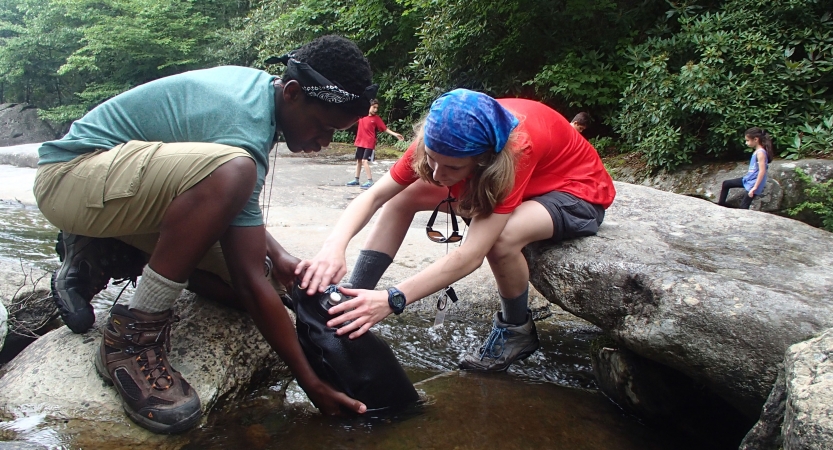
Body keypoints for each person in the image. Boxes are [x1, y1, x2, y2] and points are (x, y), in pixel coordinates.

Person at [33, 35, 374, 433]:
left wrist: (280, 259)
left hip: (126, 191)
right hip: (73, 177)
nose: (325, 140)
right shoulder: (241, 123)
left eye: (336, 132)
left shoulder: (266, 98)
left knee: (267, 286)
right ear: (294, 94)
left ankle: (110, 247)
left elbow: (240, 241)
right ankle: (131, 340)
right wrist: (310, 382)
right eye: (322, 126)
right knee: (238, 191)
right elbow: (244, 258)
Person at [297, 89, 615, 372]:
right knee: (402, 198)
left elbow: (471, 254)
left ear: (484, 160)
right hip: (518, 180)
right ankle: (352, 299)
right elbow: (376, 196)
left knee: (501, 239)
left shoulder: (514, 151)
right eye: (432, 161)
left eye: (452, 168)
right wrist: (333, 246)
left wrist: (392, 299)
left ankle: (516, 329)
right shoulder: (442, 135)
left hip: (575, 192)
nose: (437, 174)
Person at [346, 99, 404, 189]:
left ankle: (370, 181)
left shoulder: (376, 119)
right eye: (374, 107)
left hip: (369, 143)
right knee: (359, 161)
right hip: (360, 142)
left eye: (377, 108)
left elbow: (385, 129)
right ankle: (356, 180)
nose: (375, 110)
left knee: (365, 161)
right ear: (368, 107)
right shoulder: (361, 116)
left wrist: (395, 134)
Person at [717, 127, 774, 209]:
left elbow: (762, 171)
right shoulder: (757, 151)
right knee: (726, 184)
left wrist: (754, 187)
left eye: (747, 140)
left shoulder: (761, 153)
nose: (746, 143)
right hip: (748, 180)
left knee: (743, 207)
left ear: (756, 139)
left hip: (753, 184)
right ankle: (721, 206)